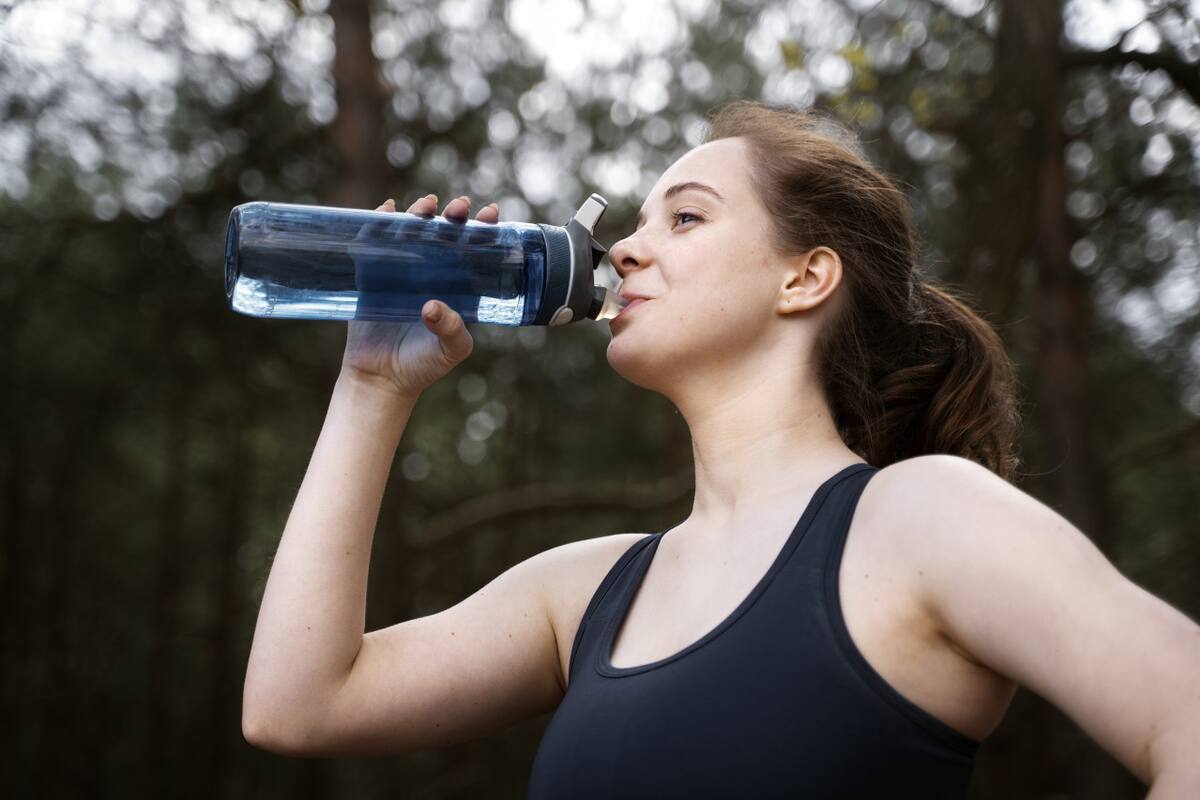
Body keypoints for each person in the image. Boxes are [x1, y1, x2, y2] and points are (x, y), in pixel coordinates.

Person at [241, 99, 1200, 797]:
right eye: (639, 223)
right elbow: (299, 704)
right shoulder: (586, 594)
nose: (623, 249)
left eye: (686, 217)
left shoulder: (923, 520)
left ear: (806, 277)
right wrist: (372, 386)